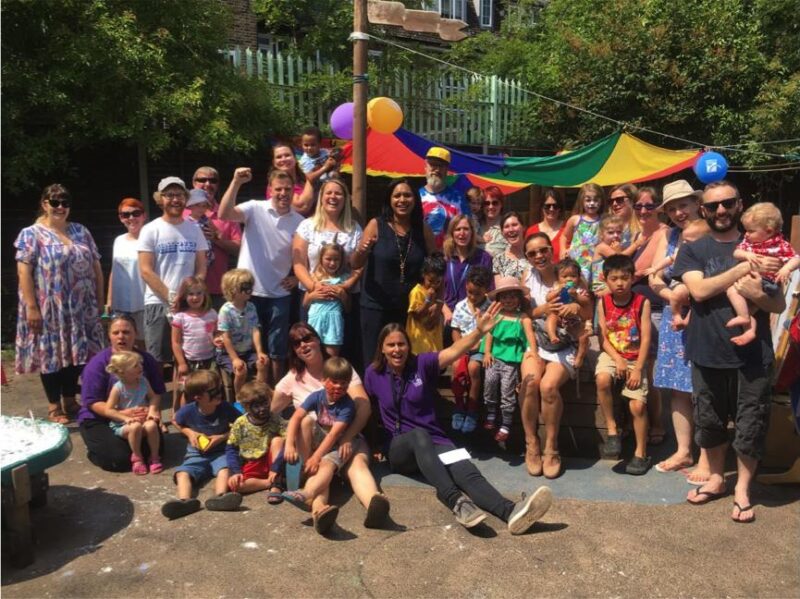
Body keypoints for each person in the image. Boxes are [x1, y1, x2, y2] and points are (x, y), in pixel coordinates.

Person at [364, 314, 553, 534]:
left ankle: (511, 511)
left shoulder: (421, 364)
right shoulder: (373, 374)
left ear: (408, 346)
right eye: (391, 345)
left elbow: (454, 351)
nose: (397, 349)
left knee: (466, 471)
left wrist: (479, 332)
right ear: (382, 349)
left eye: (401, 344)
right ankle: (456, 502)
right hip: (400, 449)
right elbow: (369, 412)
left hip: (435, 442)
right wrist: (372, 446)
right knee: (419, 435)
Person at [674, 180, 785, 523]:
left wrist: (758, 293)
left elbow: (778, 302)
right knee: (709, 421)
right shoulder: (694, 248)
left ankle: (743, 490)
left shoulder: (761, 243)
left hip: (752, 354)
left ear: (739, 205)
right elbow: (700, 290)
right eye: (712, 206)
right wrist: (739, 271)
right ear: (703, 210)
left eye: (727, 203)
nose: (720, 210)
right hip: (706, 349)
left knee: (751, 423)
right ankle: (717, 478)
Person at [272, 323, 391, 529]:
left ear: (318, 339)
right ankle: (319, 510)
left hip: (347, 439)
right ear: (293, 350)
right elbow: (273, 409)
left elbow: (363, 407)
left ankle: (375, 504)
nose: (303, 345)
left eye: (307, 338)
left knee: (357, 466)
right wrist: (285, 443)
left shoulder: (340, 368)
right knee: (309, 426)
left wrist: (346, 438)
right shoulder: (293, 377)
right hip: (312, 451)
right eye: (296, 343)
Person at [15, 184, 106, 423]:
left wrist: (98, 300)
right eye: (55, 202)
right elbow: (24, 273)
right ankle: (54, 405)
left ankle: (69, 399)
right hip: (49, 307)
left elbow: (96, 266)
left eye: (65, 202)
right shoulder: (31, 234)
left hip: (80, 306)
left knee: (76, 353)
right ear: (44, 203)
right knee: (51, 355)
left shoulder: (80, 231)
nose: (61, 207)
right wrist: (32, 307)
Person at [648, 180, 711, 481]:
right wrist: (671, 295)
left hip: (707, 316)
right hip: (675, 320)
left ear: (696, 203)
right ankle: (684, 450)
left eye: (682, 205)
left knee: (708, 387)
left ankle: (709, 455)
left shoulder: (712, 231)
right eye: (672, 208)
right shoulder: (668, 235)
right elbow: (654, 277)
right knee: (678, 388)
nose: (677, 212)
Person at [219, 168, 304, 383]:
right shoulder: (255, 208)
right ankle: (254, 393)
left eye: (287, 189)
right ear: (270, 190)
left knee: (277, 348)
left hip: (280, 293)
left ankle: (276, 393)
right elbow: (224, 213)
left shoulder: (300, 221)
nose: (283, 193)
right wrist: (236, 182)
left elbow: (307, 256)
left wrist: (297, 277)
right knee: (248, 347)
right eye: (278, 189)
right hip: (249, 293)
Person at [521, 233, 593, 479]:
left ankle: (551, 447)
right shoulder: (527, 278)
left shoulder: (569, 274)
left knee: (548, 387)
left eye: (543, 250)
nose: (539, 256)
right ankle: (531, 443)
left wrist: (578, 307)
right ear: (527, 257)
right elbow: (523, 312)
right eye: (532, 253)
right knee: (530, 382)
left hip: (565, 343)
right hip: (536, 340)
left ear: (551, 250)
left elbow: (587, 309)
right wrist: (542, 309)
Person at [352, 178, 436, 366]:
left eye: (407, 195)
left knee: (404, 359)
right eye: (397, 195)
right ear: (389, 200)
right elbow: (355, 263)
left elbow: (437, 267)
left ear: (415, 200)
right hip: (375, 306)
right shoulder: (376, 225)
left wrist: (436, 301)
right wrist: (362, 250)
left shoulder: (423, 229)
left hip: (409, 309)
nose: (402, 200)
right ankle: (372, 395)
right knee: (373, 359)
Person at [282, 357, 367, 534]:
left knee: (325, 465)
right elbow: (295, 417)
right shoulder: (317, 396)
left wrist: (316, 457)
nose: (338, 387)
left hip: (339, 444)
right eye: (334, 382)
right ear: (323, 380)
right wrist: (289, 444)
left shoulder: (347, 405)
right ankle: (319, 510)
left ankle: (306, 494)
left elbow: (334, 435)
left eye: (343, 384)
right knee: (305, 421)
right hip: (322, 442)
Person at [78, 314, 167, 472]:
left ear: (135, 334)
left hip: (138, 417)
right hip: (100, 418)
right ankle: (95, 449)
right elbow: (92, 402)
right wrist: (122, 413)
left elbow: (156, 392)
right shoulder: (97, 364)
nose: (121, 337)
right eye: (116, 333)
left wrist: (152, 411)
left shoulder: (147, 360)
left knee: (158, 450)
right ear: (109, 336)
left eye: (126, 332)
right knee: (118, 460)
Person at [138, 176, 208, 364]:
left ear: (186, 199)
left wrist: (188, 295)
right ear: (160, 199)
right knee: (156, 360)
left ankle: (182, 394)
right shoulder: (150, 229)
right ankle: (158, 395)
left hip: (189, 303)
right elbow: (145, 270)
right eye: (169, 195)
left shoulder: (195, 230)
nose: (175, 199)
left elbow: (201, 267)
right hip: (157, 302)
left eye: (179, 195)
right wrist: (170, 297)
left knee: (187, 359)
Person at [292, 177, 363, 359]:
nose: (333, 197)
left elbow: (361, 265)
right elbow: (298, 262)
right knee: (310, 350)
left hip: (342, 298)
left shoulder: (354, 229)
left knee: (338, 353)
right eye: (329, 193)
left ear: (345, 199)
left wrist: (344, 287)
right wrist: (313, 287)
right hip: (312, 297)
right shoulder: (307, 226)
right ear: (321, 197)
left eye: (338, 193)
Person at [595, 255, 653, 475]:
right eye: (614, 278)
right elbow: (602, 336)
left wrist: (637, 367)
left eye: (624, 278)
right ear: (605, 279)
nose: (620, 283)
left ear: (632, 279)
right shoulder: (603, 301)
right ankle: (612, 430)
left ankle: (641, 453)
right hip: (613, 354)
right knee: (602, 379)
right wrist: (617, 359)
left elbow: (646, 338)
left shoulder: (642, 302)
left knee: (637, 405)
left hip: (635, 357)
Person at [162, 370, 243, 520]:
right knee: (182, 473)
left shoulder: (225, 407)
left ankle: (221, 497)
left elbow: (242, 424)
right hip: (196, 452)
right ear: (198, 397)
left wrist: (223, 436)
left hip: (221, 451)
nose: (219, 393)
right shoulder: (188, 410)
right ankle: (185, 501)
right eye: (213, 391)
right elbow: (175, 421)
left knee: (225, 469)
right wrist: (190, 433)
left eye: (218, 389)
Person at [726, 202, 800, 345]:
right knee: (749, 309)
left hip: (769, 284)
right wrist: (746, 255)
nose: (746, 234)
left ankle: (743, 317)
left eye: (751, 230)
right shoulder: (749, 243)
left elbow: (796, 258)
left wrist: (787, 268)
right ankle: (749, 329)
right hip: (752, 280)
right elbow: (736, 252)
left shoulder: (781, 244)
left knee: (731, 291)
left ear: (769, 230)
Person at [629, 186, 670, 446]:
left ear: (659, 207)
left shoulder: (662, 232)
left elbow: (641, 269)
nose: (644, 210)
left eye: (649, 206)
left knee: (650, 369)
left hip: (653, 308)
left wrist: (618, 274)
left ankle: (657, 422)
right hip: (632, 306)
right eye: (639, 206)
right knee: (635, 366)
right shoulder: (637, 234)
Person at [482, 277, 537, 444]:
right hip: (495, 357)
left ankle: (505, 424)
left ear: (519, 298)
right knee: (489, 383)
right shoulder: (496, 316)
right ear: (499, 300)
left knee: (507, 391)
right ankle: (491, 413)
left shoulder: (523, 318)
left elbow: (530, 339)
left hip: (511, 361)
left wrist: (532, 353)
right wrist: (486, 352)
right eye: (504, 297)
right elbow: (490, 334)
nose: (509, 300)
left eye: (513, 296)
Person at [189, 166, 243, 310]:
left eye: (212, 180)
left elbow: (239, 248)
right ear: (193, 183)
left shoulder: (226, 213)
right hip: (188, 290)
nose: (207, 184)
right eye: (202, 180)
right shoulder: (182, 214)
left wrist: (216, 238)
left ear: (217, 185)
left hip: (217, 289)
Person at [103, 351, 163, 475]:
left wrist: (152, 411)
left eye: (140, 364)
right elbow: (108, 409)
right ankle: (137, 457)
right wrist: (125, 418)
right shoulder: (118, 388)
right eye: (135, 366)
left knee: (152, 425)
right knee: (135, 427)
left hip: (144, 420)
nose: (140, 367)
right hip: (124, 425)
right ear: (122, 372)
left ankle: (154, 457)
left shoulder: (143, 381)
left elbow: (154, 397)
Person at [450, 266, 493, 433]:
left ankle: (472, 407)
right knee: (456, 367)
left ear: (486, 290)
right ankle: (459, 404)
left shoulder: (489, 307)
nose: (473, 297)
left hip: (481, 348)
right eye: (470, 292)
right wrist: (460, 347)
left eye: (478, 293)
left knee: (474, 368)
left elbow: (490, 332)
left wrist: (479, 346)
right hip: (463, 347)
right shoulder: (460, 306)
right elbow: (456, 329)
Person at [225, 381, 285, 500]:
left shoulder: (276, 419)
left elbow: (288, 440)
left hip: (272, 460)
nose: (262, 409)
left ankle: (276, 485)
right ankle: (269, 483)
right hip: (251, 463)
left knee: (278, 440)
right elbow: (231, 448)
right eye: (257, 406)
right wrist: (236, 471)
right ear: (246, 407)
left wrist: (276, 467)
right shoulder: (240, 423)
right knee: (236, 485)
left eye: (265, 403)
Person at [216, 269, 268, 395]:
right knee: (240, 370)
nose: (249, 289)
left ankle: (259, 394)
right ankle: (240, 398)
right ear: (233, 290)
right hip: (228, 354)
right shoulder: (226, 310)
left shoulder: (251, 307)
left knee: (263, 363)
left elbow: (255, 330)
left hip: (248, 351)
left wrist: (259, 351)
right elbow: (226, 337)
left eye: (250, 286)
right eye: (245, 287)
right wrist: (234, 359)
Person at [170, 276, 218, 412]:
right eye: (191, 294)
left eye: (198, 293)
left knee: (208, 390)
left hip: (209, 360)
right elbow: (175, 342)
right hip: (188, 361)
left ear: (205, 295)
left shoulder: (212, 314)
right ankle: (182, 416)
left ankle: (205, 414)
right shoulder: (180, 317)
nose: (195, 297)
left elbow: (216, 334)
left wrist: (218, 340)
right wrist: (181, 363)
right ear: (184, 296)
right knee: (186, 390)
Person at [441, 215, 493, 338]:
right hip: (446, 316)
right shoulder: (445, 259)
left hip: (473, 316)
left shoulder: (483, 258)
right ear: (452, 233)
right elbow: (436, 289)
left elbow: (489, 290)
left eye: (466, 229)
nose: (462, 233)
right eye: (458, 229)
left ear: (472, 232)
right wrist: (446, 311)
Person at [107, 197, 147, 346]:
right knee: (122, 343)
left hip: (143, 302)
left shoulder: (150, 239)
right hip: (120, 303)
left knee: (143, 343)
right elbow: (115, 270)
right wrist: (109, 300)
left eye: (136, 213)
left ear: (144, 215)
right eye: (125, 215)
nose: (131, 218)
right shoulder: (118, 240)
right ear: (120, 218)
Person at [305, 241, 351, 356]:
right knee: (314, 355)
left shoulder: (344, 279)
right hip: (315, 320)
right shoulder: (314, 278)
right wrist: (312, 295)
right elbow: (305, 303)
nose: (332, 263)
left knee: (332, 357)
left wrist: (342, 295)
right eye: (328, 259)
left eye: (336, 259)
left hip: (334, 322)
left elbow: (349, 308)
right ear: (321, 259)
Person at [419, 146, 470, 248]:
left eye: (441, 166)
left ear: (447, 170)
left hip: (449, 258)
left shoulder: (458, 198)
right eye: (433, 164)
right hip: (420, 257)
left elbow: (468, 229)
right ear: (426, 167)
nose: (437, 170)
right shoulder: (414, 197)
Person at [543, 258, 590, 366]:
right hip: (559, 318)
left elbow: (586, 301)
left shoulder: (579, 290)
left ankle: (580, 357)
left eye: (573, 276)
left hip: (575, 321)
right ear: (558, 278)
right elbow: (547, 298)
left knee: (584, 336)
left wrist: (576, 296)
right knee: (551, 318)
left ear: (578, 277)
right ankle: (552, 335)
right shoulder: (556, 288)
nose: (569, 279)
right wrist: (558, 291)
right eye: (564, 276)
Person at [589, 214, 640, 295]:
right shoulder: (602, 247)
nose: (615, 235)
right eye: (610, 233)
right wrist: (637, 244)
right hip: (602, 288)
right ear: (601, 235)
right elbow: (621, 260)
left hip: (613, 284)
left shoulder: (618, 247)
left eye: (619, 232)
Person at [407, 253, 446, 355]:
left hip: (433, 342)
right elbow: (416, 314)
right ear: (423, 274)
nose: (433, 285)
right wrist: (427, 300)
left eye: (437, 282)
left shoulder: (438, 294)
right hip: (419, 342)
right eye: (430, 281)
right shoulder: (417, 292)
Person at [563, 183, 604, 279]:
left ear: (601, 201)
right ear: (582, 201)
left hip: (596, 262)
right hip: (578, 262)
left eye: (595, 200)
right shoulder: (575, 219)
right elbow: (565, 236)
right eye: (588, 200)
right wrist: (563, 249)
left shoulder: (604, 220)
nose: (592, 203)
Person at [267, 142, 315, 216]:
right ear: (274, 162)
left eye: (287, 155)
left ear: (295, 159)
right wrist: (311, 179)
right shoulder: (275, 186)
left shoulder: (304, 180)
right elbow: (301, 207)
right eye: (279, 157)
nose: (283, 159)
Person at [526, 189, 567, 260]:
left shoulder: (567, 228)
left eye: (555, 206)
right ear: (541, 207)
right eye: (547, 206)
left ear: (559, 208)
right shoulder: (531, 231)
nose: (551, 209)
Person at [492, 212, 529, 283]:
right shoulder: (498, 260)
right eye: (506, 227)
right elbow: (499, 288)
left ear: (523, 227)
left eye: (514, 225)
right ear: (502, 232)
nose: (511, 229)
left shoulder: (534, 254)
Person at [185, 189, 216, 268]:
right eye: (197, 205)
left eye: (204, 206)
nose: (201, 208)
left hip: (208, 255)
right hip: (192, 257)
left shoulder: (207, 221)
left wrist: (213, 235)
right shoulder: (186, 222)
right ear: (190, 206)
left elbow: (218, 234)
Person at [481, 186, 509, 257]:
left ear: (501, 204)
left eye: (495, 203)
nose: (490, 207)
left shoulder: (508, 227)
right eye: (487, 203)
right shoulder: (475, 226)